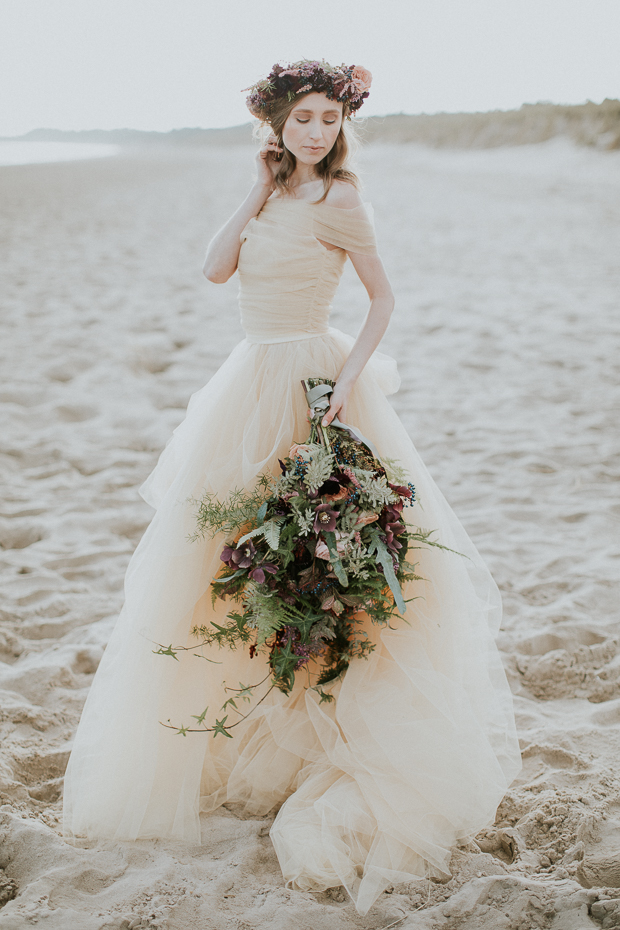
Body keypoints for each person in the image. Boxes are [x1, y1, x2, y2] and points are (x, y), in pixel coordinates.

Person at [62, 60, 521, 916]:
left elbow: (383, 300)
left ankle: (342, 729)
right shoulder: (270, 192)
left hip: (313, 375)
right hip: (246, 385)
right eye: (301, 118)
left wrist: (349, 379)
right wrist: (254, 187)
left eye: (326, 117)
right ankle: (262, 739)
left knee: (321, 558)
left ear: (341, 124)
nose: (316, 131)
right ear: (274, 126)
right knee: (229, 562)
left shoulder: (344, 198)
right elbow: (214, 271)